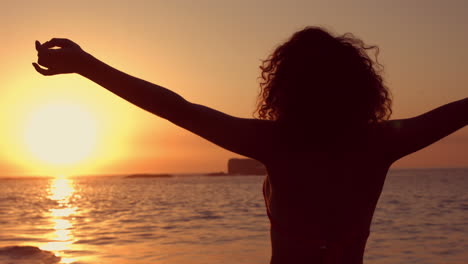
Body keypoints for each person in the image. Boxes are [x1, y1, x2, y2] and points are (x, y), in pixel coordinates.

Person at [33, 26, 468, 264]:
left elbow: (175, 108)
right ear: (361, 89)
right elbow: (458, 110)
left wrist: (86, 65)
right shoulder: (380, 143)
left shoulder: (275, 142)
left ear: (283, 88)